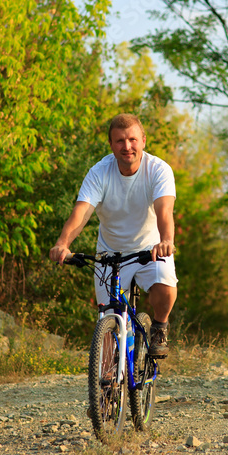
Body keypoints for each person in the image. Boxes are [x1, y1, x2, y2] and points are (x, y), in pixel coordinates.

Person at [49, 113, 178, 358]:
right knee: (108, 331)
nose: (127, 146)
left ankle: (159, 327)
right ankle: (107, 388)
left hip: (150, 249)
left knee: (165, 286)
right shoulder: (100, 173)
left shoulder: (159, 170)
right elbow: (81, 213)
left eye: (132, 139)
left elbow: (164, 211)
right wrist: (62, 244)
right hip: (110, 253)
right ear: (111, 145)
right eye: (119, 141)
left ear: (143, 141)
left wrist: (166, 241)